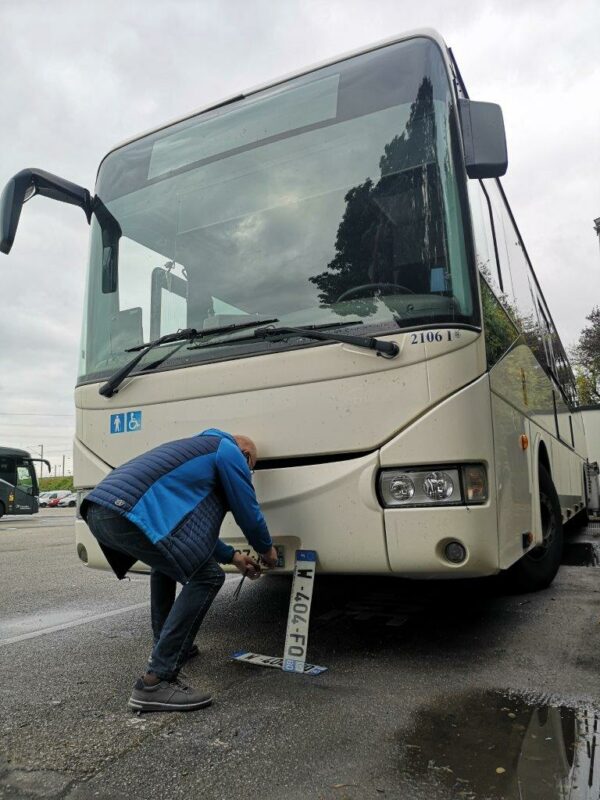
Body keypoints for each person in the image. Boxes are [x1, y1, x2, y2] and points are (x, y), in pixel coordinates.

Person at [80, 428, 277, 713]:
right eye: (251, 468)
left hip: (101, 510)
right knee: (208, 577)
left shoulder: (193, 452)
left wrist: (233, 556)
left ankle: (166, 645)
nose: (248, 473)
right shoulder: (227, 449)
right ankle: (156, 681)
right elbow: (247, 509)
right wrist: (266, 549)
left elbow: (187, 536)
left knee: (167, 564)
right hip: (126, 512)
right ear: (245, 455)